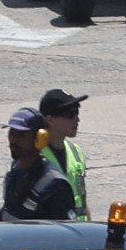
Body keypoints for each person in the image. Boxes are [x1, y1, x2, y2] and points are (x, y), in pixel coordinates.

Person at [0, 108, 77, 222]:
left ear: (40, 139)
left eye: (21, 135)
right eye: (12, 133)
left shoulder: (55, 185)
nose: (14, 140)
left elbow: (65, 232)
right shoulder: (16, 169)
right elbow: (9, 211)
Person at [39, 88, 89, 219]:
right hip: (52, 234)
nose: (77, 119)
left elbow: (82, 200)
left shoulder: (76, 152)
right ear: (50, 120)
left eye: (77, 112)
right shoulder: (35, 156)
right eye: (70, 114)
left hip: (79, 232)